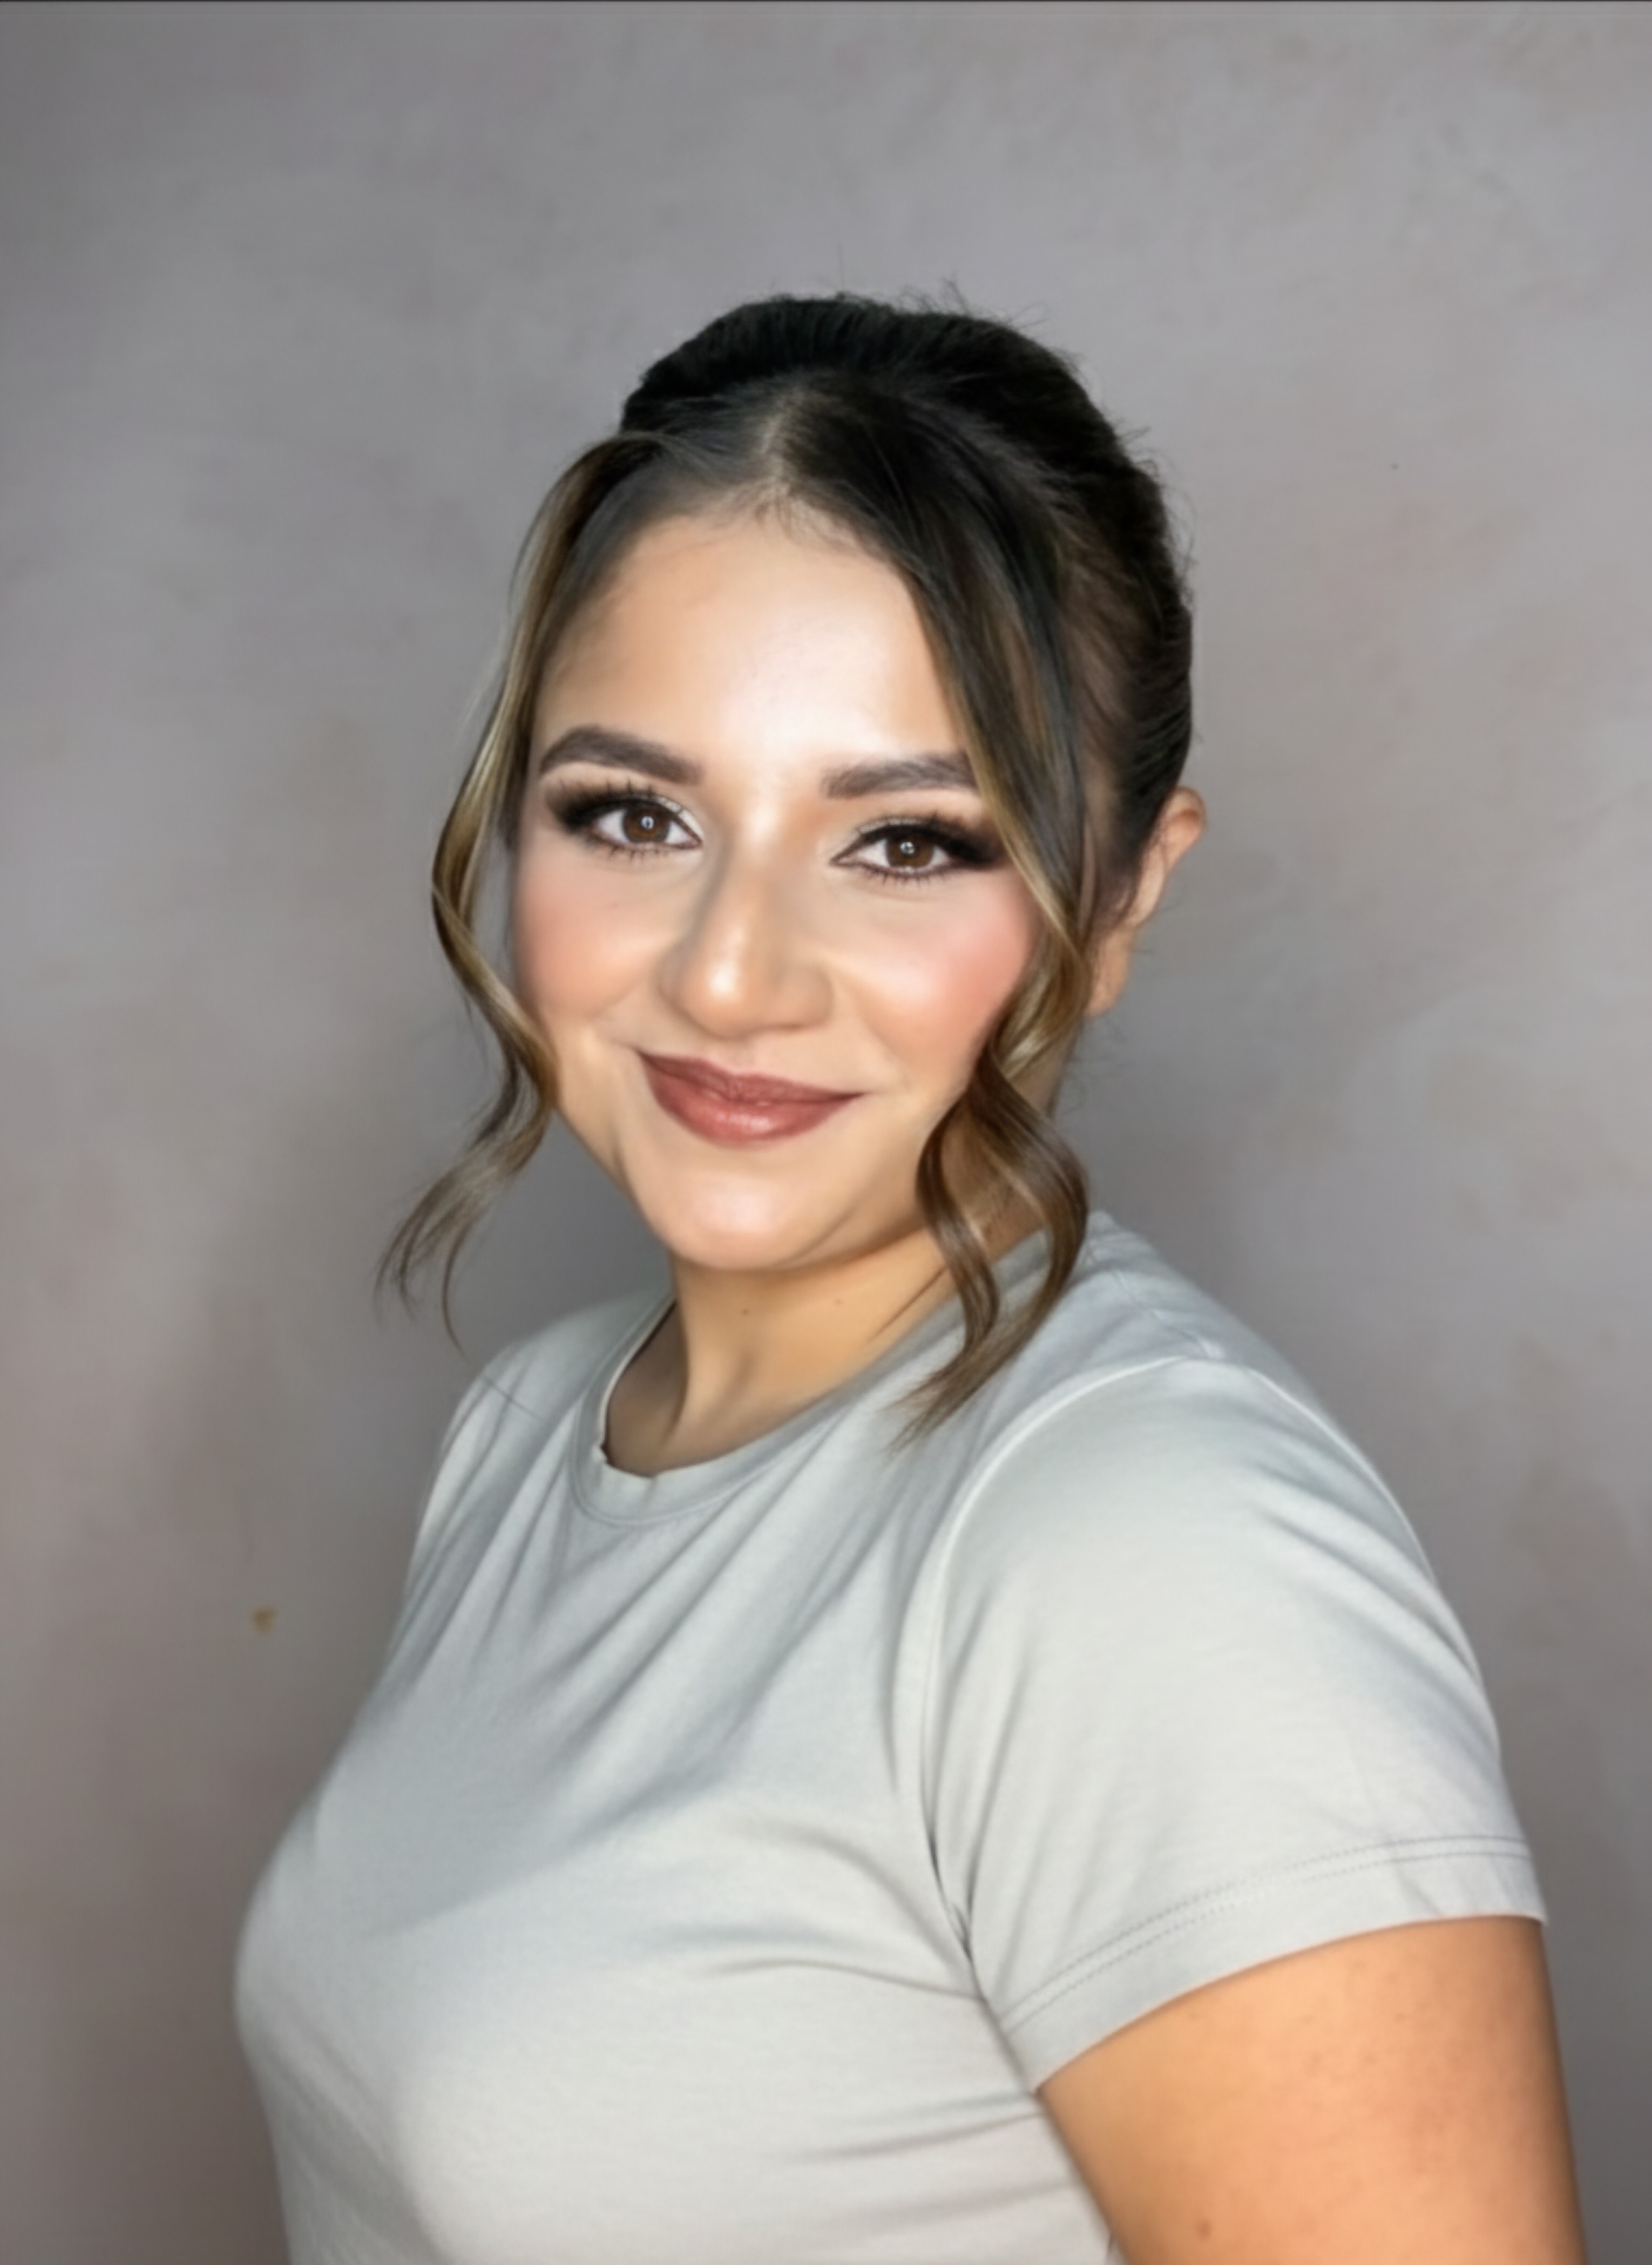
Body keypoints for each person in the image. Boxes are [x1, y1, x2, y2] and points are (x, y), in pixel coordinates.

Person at [235, 295, 1586, 2264]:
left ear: (1120, 896)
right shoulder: (529, 1430)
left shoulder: (1146, 1548)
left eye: (905, 844)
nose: (729, 975)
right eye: (635, 814)